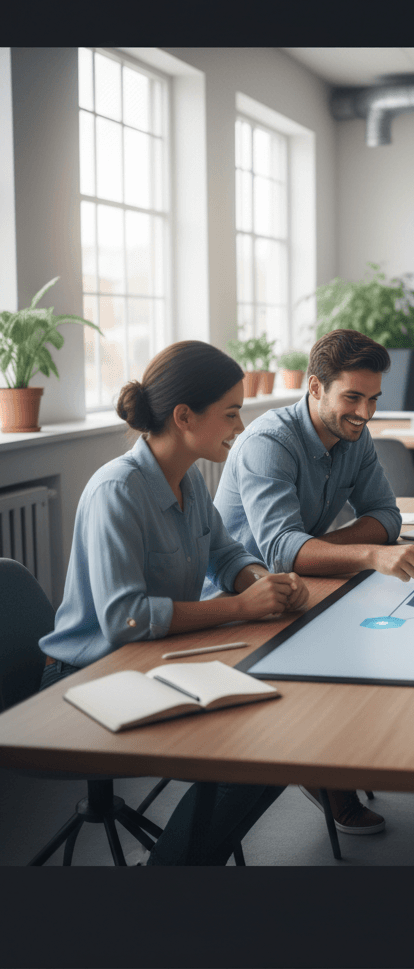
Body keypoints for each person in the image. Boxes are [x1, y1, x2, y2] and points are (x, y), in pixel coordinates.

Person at [38, 341, 309, 865]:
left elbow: (226, 553)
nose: (240, 425)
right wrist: (240, 608)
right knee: (246, 757)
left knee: (284, 741)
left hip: (150, 663)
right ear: (185, 416)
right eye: (230, 413)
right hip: (83, 676)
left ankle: (180, 867)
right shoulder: (117, 490)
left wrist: (264, 581)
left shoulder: (185, 481)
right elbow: (126, 619)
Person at [209, 328, 414, 834]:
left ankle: (340, 754)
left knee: (384, 632)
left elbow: (386, 514)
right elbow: (279, 549)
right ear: (315, 388)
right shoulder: (268, 443)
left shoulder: (351, 435)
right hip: (241, 599)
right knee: (348, 648)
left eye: (373, 399)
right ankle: (323, 766)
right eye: (353, 397)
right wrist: (367, 554)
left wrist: (329, 552)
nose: (365, 412)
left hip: (299, 585)